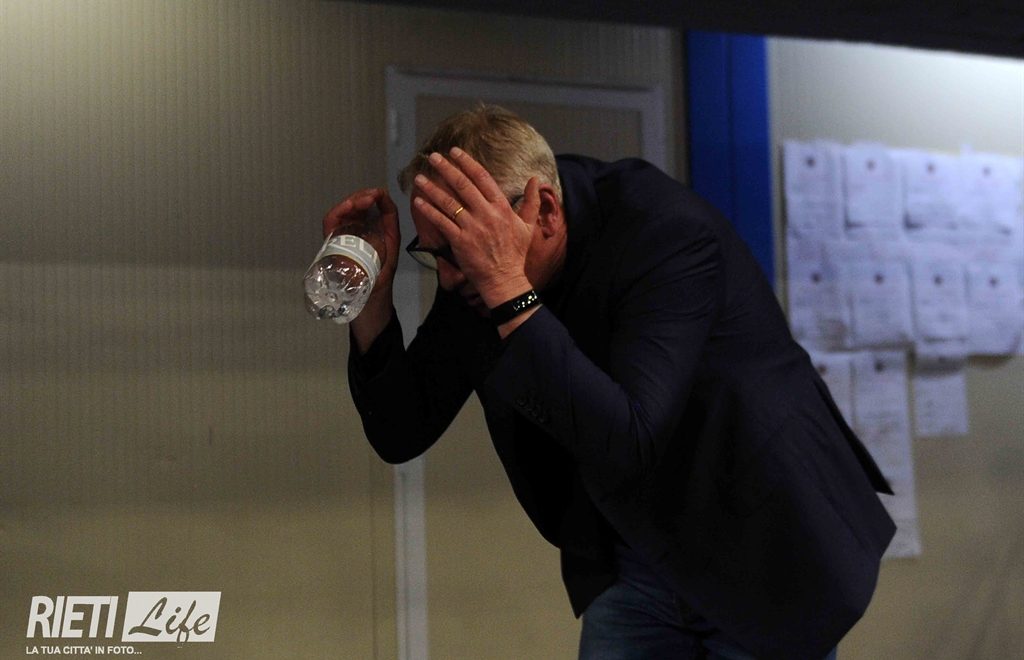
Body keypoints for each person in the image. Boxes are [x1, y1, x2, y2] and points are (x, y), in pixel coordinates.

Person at [327, 105, 895, 659]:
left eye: (461, 252)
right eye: (435, 254)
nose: (450, 277)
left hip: (758, 540)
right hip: (630, 553)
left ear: (545, 211)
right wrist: (370, 301)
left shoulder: (665, 233)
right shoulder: (475, 270)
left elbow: (630, 441)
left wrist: (507, 287)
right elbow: (401, 430)